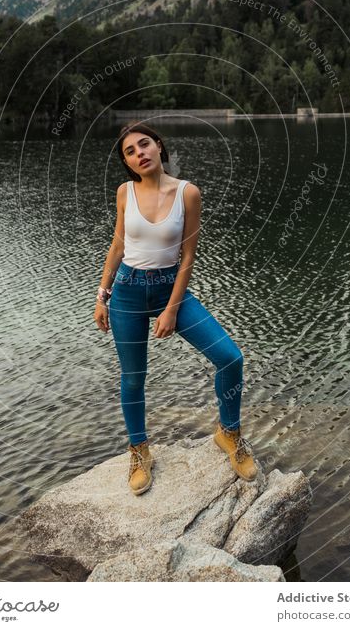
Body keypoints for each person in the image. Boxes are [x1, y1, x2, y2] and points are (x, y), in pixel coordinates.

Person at [93, 121, 257, 495]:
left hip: (171, 288)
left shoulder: (188, 194)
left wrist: (170, 309)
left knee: (230, 358)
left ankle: (229, 434)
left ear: (159, 146)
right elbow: (117, 247)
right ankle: (139, 450)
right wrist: (102, 297)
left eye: (144, 144)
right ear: (128, 163)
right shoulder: (125, 193)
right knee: (133, 377)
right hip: (128, 292)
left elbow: (187, 257)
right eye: (130, 152)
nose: (140, 154)